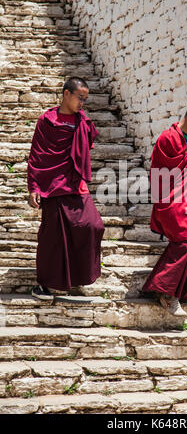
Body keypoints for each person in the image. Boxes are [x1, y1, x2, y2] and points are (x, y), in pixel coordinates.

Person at [27, 77, 105, 300]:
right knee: (52, 236)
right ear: (66, 94)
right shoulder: (47, 121)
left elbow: (83, 151)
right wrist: (34, 186)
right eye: (80, 98)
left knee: (93, 226)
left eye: (85, 99)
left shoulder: (83, 122)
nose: (83, 103)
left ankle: (76, 276)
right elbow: (37, 155)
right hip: (51, 185)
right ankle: (44, 285)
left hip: (75, 184)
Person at [142, 101, 187, 316]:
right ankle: (164, 291)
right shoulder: (167, 138)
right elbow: (159, 174)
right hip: (172, 199)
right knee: (184, 241)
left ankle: (175, 291)